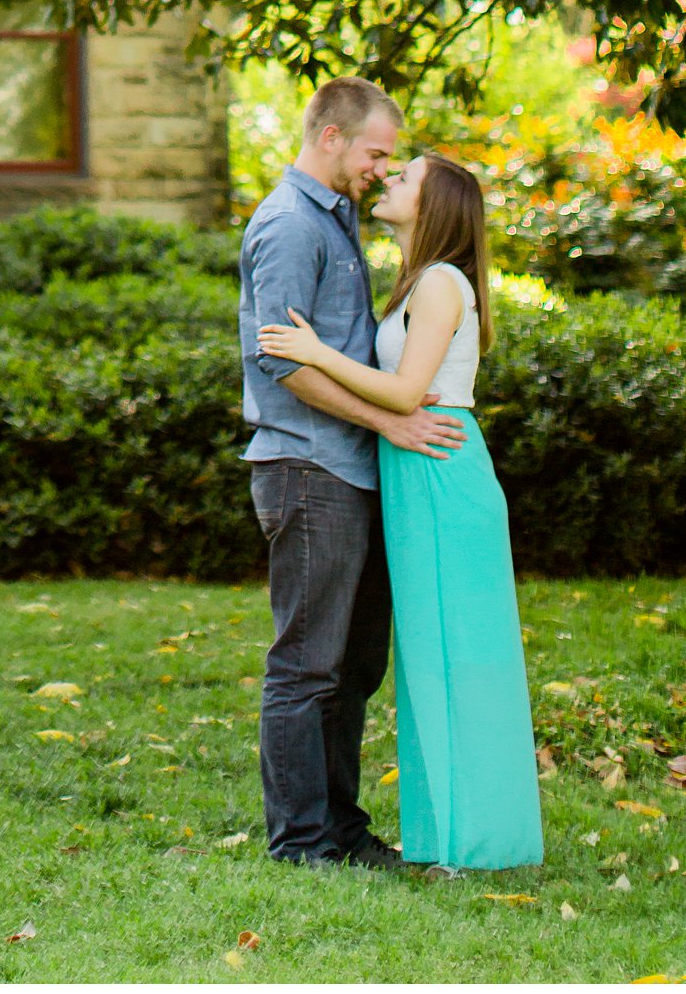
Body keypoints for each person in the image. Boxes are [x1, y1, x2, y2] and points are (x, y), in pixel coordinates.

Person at [258, 148, 543, 872]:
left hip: (440, 471)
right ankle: (450, 833)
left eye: (406, 174)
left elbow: (408, 392)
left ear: (435, 204)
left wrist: (316, 353)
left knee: (458, 657)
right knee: (427, 659)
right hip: (413, 472)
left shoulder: (442, 283)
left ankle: (480, 840)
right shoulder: (418, 281)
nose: (391, 178)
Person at [238, 78, 467, 869]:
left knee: (355, 666)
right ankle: (300, 844)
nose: (380, 169)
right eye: (376, 153)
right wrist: (390, 420)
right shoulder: (290, 226)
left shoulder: (335, 223)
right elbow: (279, 362)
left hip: (356, 475)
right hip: (307, 469)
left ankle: (341, 830)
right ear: (331, 137)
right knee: (306, 664)